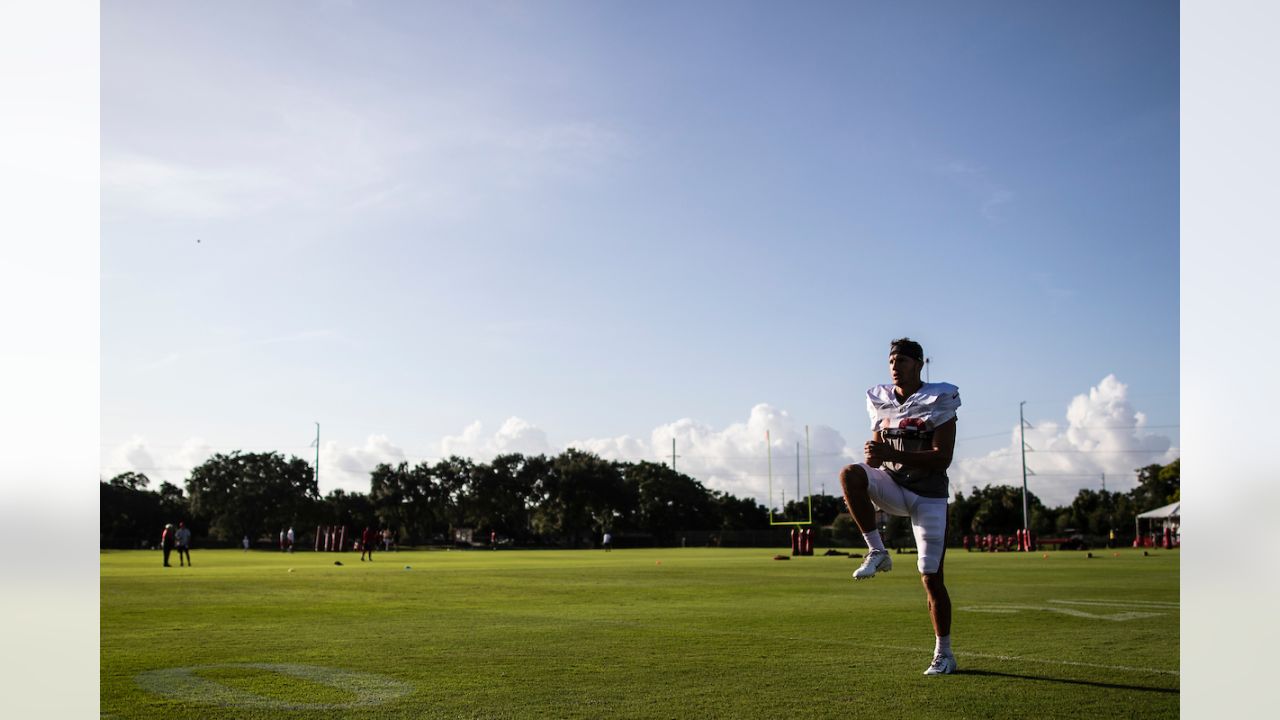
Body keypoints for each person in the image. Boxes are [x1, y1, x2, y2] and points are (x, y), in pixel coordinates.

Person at [838, 338, 960, 676]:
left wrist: (891, 455)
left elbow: (942, 458)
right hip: (893, 485)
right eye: (892, 360)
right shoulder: (880, 400)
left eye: (903, 360)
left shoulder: (939, 398)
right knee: (850, 474)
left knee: (931, 577)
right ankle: (877, 552)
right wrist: (874, 456)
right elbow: (878, 452)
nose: (895, 365)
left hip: (928, 495)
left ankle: (944, 653)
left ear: (919, 364)